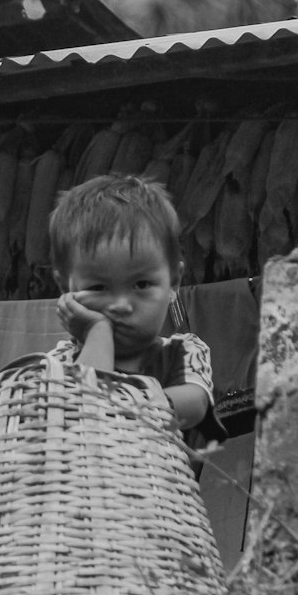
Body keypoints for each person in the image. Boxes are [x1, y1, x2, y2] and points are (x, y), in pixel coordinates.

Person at [50, 174, 224, 446]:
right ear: (65, 287)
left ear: (173, 283)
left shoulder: (181, 353)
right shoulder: (60, 362)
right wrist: (98, 333)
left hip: (159, 487)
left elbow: (195, 404)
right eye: (97, 287)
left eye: (141, 284)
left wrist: (113, 406)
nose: (121, 305)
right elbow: (82, 409)